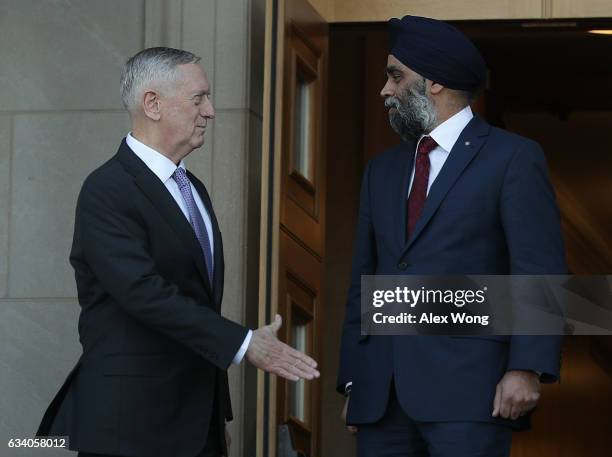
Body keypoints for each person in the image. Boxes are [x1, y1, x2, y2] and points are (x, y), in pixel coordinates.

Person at [36, 47, 319, 457]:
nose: (211, 111)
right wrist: (244, 343)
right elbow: (143, 292)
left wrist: (214, 417)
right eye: (199, 98)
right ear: (152, 104)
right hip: (131, 427)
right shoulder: (108, 189)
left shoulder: (193, 190)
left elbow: (198, 302)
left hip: (194, 427)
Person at [337, 16, 565, 457]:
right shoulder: (382, 170)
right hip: (382, 397)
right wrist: (354, 381)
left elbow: (539, 269)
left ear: (434, 82)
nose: (385, 90)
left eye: (395, 76)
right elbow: (362, 282)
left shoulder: (512, 157)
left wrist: (527, 367)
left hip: (471, 393)